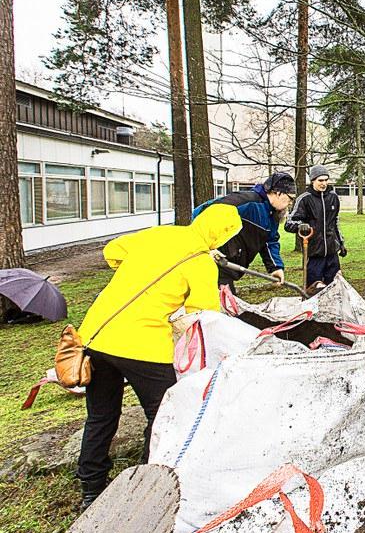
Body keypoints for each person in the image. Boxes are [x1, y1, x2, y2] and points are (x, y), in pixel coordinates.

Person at [75, 204, 242, 507]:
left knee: (100, 415)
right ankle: (146, 478)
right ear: (222, 235)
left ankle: (91, 486)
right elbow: (203, 314)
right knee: (165, 413)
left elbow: (112, 252)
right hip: (142, 344)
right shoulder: (201, 262)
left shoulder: (159, 234)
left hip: (96, 334)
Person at [192, 172, 295, 289]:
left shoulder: (272, 215)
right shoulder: (246, 202)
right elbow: (201, 211)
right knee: (222, 304)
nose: (290, 203)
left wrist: (275, 267)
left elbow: (269, 241)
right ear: (278, 193)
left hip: (231, 269)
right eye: (290, 198)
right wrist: (206, 249)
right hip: (216, 266)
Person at [284, 166, 346, 290]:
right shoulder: (304, 199)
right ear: (313, 180)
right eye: (320, 181)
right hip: (314, 254)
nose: (324, 183)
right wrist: (301, 226)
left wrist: (341, 243)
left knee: (336, 288)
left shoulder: (333, 197)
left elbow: (335, 221)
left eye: (326, 180)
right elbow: (289, 223)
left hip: (332, 253)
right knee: (314, 289)